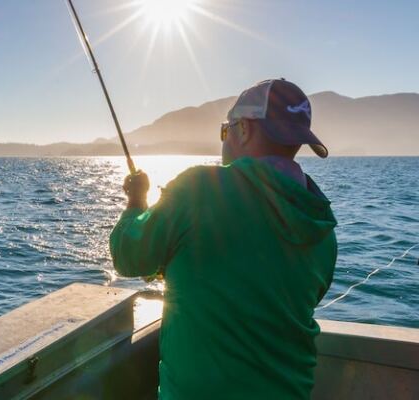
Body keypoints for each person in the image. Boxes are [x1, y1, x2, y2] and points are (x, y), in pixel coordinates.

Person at [110, 79, 337, 399]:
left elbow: (129, 255)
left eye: (225, 129)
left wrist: (136, 201)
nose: (224, 138)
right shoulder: (321, 224)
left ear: (244, 129)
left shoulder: (199, 189)